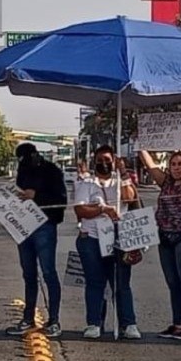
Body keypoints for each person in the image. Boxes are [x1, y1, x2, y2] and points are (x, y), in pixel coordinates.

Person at [75, 145, 141, 340]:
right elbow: (80, 210)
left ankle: (128, 323)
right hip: (92, 238)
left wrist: (123, 172)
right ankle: (94, 323)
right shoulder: (87, 183)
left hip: (119, 238)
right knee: (95, 282)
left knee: (121, 283)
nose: (103, 163)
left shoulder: (119, 181)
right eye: (99, 160)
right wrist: (102, 210)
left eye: (107, 160)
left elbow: (129, 197)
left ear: (113, 161)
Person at [140, 132, 181, 340]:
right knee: (172, 281)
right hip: (164, 237)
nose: (176, 168)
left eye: (180, 164)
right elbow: (150, 165)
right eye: (173, 164)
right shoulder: (165, 182)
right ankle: (176, 323)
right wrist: (140, 143)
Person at [7, 143, 67, 338]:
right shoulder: (23, 171)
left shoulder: (52, 171)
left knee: (48, 272)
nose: (23, 163)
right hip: (24, 224)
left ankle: (54, 319)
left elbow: (61, 200)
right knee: (29, 273)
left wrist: (37, 196)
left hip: (45, 225)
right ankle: (28, 318)